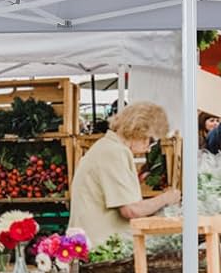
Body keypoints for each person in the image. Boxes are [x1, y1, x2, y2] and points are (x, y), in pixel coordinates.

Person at [68, 101, 181, 245]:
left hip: (91, 241)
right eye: (150, 140)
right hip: (101, 246)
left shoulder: (106, 147)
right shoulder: (115, 152)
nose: (148, 149)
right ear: (138, 131)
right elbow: (131, 210)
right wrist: (166, 198)